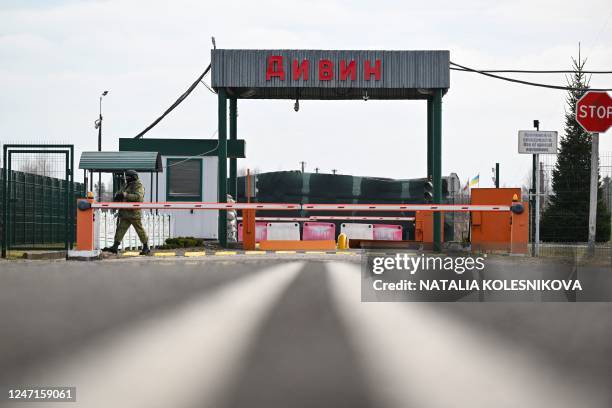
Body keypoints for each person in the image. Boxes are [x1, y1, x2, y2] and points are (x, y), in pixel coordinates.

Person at [102, 170, 150, 255]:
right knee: (120, 229)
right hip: (125, 212)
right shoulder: (127, 184)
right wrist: (118, 195)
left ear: (133, 177)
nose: (126, 179)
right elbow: (121, 192)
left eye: (127, 177)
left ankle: (146, 247)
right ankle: (115, 247)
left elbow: (138, 197)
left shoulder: (138, 186)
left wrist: (125, 195)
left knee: (140, 230)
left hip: (134, 213)